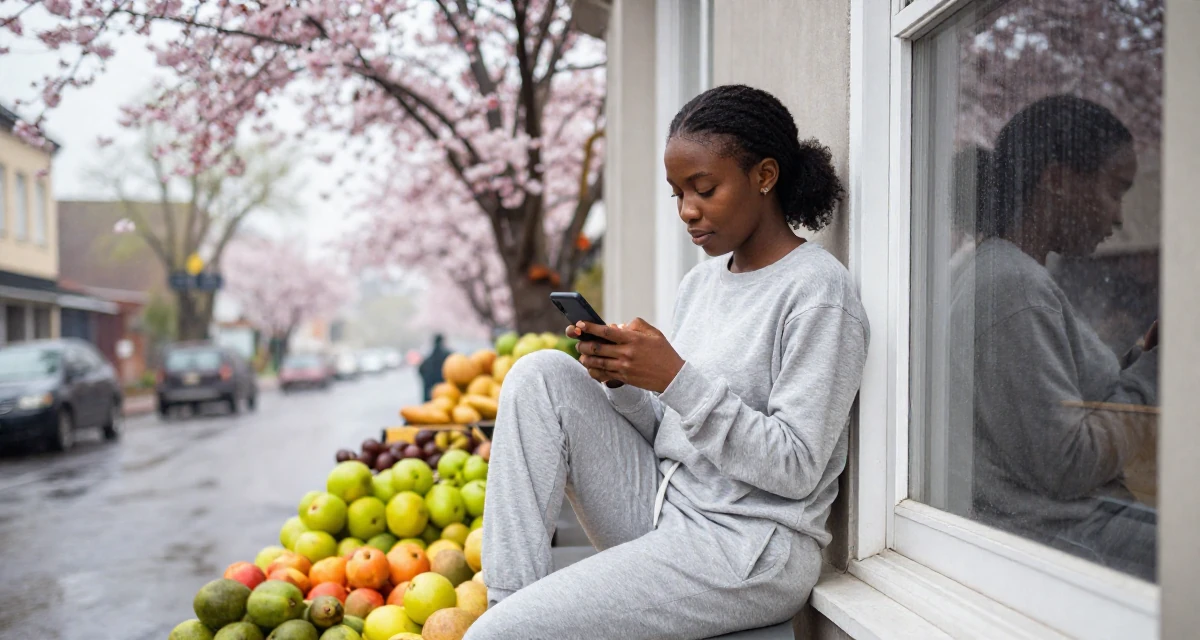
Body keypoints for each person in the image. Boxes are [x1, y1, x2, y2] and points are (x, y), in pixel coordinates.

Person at [466, 85, 869, 640]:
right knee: (540, 375)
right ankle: (505, 602)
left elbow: (796, 469)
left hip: (746, 549)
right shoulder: (700, 283)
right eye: (676, 193)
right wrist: (624, 381)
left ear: (765, 176)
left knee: (495, 638)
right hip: (661, 505)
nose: (687, 211)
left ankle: (503, 627)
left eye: (703, 189)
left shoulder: (818, 292)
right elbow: (670, 432)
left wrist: (676, 378)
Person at [950, 95, 1158, 580]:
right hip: (1064, 542)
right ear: (1058, 180)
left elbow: (1054, 407)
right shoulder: (1013, 286)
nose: (1119, 217)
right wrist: (1154, 374)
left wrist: (1137, 361)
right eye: (1116, 190)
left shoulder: (998, 274)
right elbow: (1065, 463)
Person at [417, 334, 450, 401]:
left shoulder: (428, 358)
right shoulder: (448, 356)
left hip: (430, 394)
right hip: (446, 394)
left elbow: (421, 370)